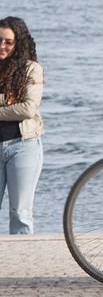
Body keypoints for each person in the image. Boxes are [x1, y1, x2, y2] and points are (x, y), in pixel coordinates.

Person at [0, 17, 43, 234]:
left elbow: (28, 109)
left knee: (20, 214)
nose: (2, 46)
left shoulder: (31, 69)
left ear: (18, 43)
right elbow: (18, 106)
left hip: (23, 147)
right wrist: (8, 102)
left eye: (8, 41)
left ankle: (23, 265)